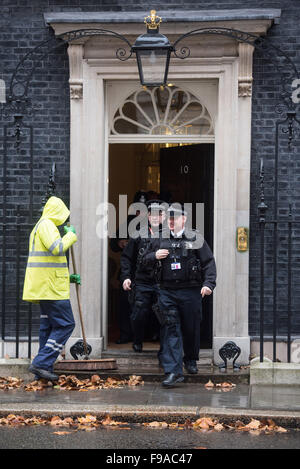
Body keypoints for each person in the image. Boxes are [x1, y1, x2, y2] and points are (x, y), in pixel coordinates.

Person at [143, 203, 217, 388]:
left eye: (175, 218)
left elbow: (208, 262)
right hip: (167, 291)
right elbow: (143, 261)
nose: (171, 221)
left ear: (184, 219)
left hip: (191, 291)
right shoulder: (159, 238)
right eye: (169, 218)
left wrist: (209, 284)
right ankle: (173, 372)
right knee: (171, 330)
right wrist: (154, 256)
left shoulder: (195, 238)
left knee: (191, 328)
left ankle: (190, 359)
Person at [23, 196, 79, 382]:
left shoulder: (41, 226)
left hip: (46, 286)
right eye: (63, 214)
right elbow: (57, 248)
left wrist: (68, 277)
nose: (64, 219)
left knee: (48, 326)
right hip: (50, 288)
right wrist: (70, 235)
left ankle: (43, 369)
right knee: (66, 324)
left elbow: (48, 260)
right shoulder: (47, 225)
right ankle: (41, 362)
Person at [121, 199, 166, 353]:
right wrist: (126, 277)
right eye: (152, 214)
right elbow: (127, 257)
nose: (155, 217)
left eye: (158, 214)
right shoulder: (137, 234)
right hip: (142, 281)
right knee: (139, 313)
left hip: (163, 282)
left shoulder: (170, 234)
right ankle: (138, 340)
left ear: (163, 216)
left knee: (165, 314)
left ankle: (164, 346)